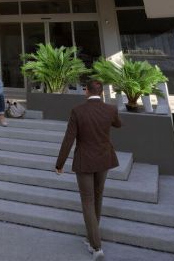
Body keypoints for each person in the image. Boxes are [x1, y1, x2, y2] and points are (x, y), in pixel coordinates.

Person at [54, 80, 122, 260]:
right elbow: (118, 124)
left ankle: (96, 246)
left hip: (85, 161)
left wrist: (60, 163)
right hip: (104, 159)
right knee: (97, 198)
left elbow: (69, 139)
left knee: (87, 201)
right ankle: (91, 239)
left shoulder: (78, 111)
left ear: (86, 91)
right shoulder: (111, 109)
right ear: (102, 93)